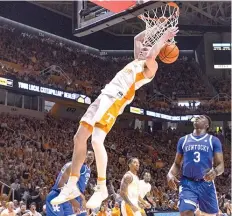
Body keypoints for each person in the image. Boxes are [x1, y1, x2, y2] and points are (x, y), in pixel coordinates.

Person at [51, 27, 179, 208]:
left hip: (116, 99)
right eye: (144, 48)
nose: (144, 48)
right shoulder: (137, 60)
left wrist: (164, 38)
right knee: (79, 137)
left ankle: (101, 186)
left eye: (148, 49)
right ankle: (72, 184)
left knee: (96, 141)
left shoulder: (149, 68)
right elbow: (137, 37)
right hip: (104, 95)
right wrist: (155, 26)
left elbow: (151, 56)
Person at [167, 115, 224, 216]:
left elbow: (221, 165)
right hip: (188, 183)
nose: (198, 117)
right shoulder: (183, 140)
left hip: (206, 184)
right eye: (197, 117)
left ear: (207, 125)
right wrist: (170, 174)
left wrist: (215, 172)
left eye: (201, 117)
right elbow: (177, 163)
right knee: (185, 212)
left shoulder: (213, 140)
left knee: (210, 214)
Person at [47, 151, 94, 216]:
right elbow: (61, 184)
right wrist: (75, 200)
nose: (90, 157)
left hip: (71, 195)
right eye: (88, 155)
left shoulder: (85, 168)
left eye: (92, 156)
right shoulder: (77, 166)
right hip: (59, 194)